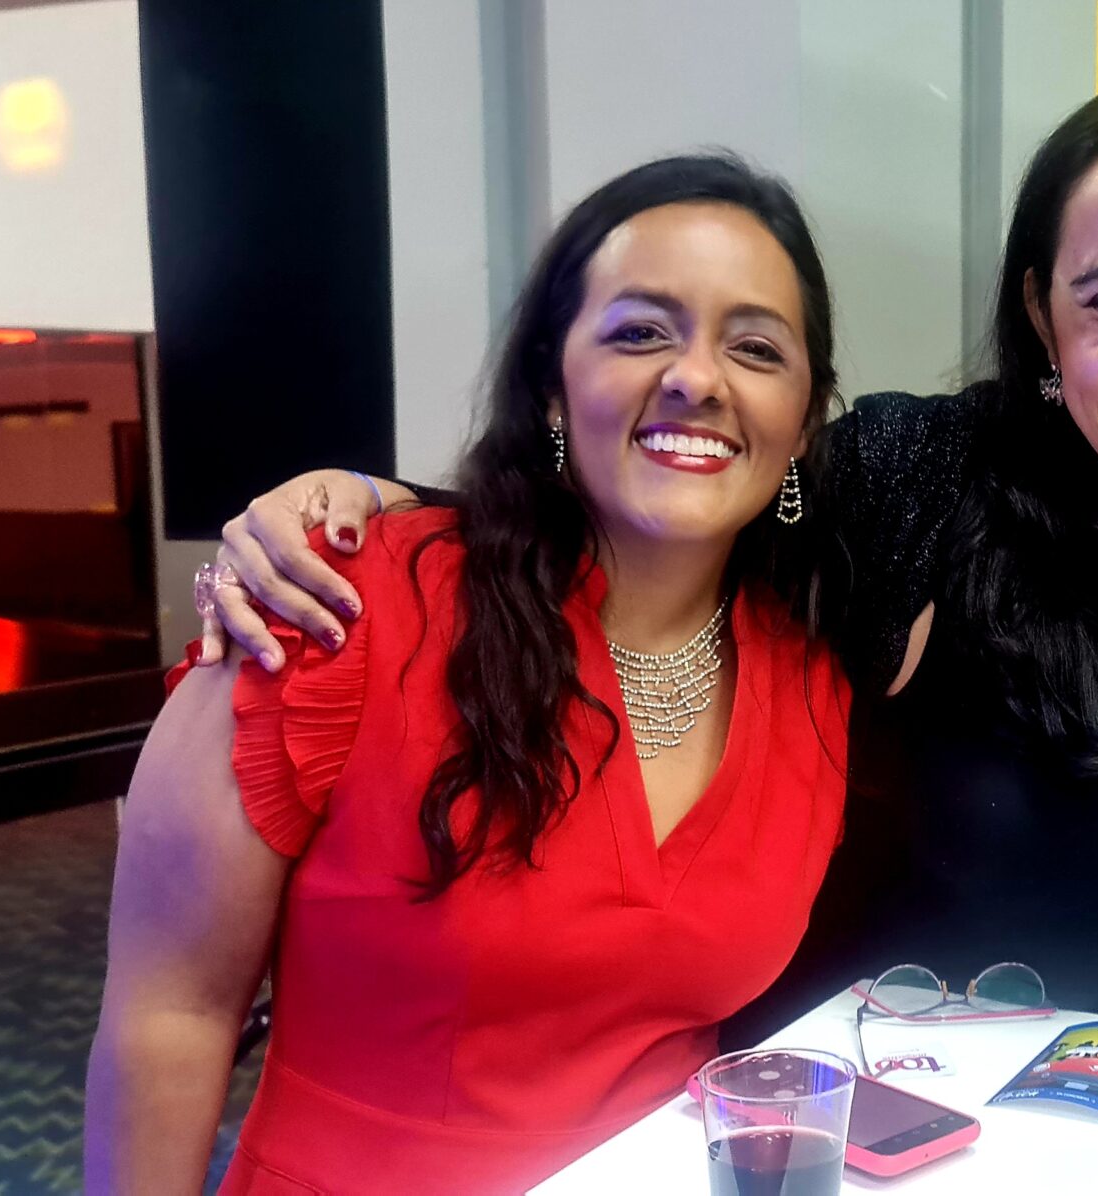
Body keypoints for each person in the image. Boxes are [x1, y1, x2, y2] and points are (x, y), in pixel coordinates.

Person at [196, 78, 1098, 1038]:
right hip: (871, 1124)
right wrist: (378, 504)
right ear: (1040, 315)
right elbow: (666, 493)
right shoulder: (922, 479)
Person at [85, 155, 852, 1194]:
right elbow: (167, 1016)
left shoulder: (811, 677)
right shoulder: (333, 607)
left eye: (754, 347)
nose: (697, 379)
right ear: (551, 385)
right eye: (640, 332)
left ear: (804, 423)